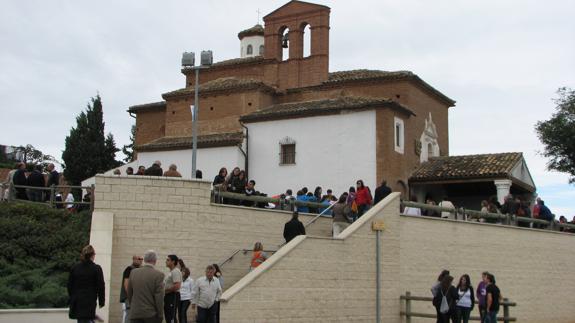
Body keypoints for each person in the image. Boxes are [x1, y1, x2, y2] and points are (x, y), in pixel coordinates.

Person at [67, 245, 105, 323]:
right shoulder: (96, 269)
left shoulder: (75, 268)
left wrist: (73, 297)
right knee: (88, 319)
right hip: (90, 301)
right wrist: (101, 301)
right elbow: (101, 286)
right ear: (92, 255)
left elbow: (70, 285)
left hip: (78, 301)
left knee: (81, 320)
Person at [128, 250, 165, 323]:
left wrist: (132, 307)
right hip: (150, 315)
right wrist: (160, 315)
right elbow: (159, 298)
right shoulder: (159, 275)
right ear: (155, 261)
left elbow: (129, 293)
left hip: (135, 313)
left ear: (144, 260)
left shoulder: (133, 272)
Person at [120, 255, 143, 323]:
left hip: (137, 298)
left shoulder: (140, 270)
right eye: (139, 259)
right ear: (134, 259)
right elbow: (126, 285)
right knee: (129, 315)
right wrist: (130, 297)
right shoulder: (129, 269)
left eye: (141, 259)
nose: (141, 260)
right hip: (130, 298)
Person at [164, 254, 182, 323]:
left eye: (168, 260)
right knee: (168, 316)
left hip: (173, 296)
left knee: (171, 317)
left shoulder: (175, 271)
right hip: (169, 296)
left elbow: (177, 286)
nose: (166, 261)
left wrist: (165, 291)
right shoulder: (171, 272)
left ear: (173, 261)